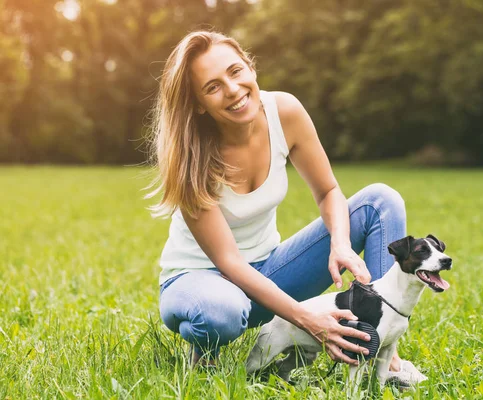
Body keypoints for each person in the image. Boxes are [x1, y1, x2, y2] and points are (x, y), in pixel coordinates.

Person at [147, 30, 410, 373]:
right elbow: (229, 262)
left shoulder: (284, 111)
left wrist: (341, 244)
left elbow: (329, 192)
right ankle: (204, 349)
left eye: (236, 71)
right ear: (198, 104)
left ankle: (380, 353)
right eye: (212, 87)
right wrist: (307, 318)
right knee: (220, 312)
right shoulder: (189, 157)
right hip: (199, 281)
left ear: (251, 68)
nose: (232, 90)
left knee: (380, 201)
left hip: (269, 270)